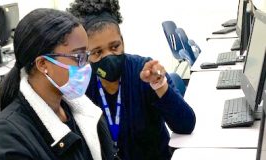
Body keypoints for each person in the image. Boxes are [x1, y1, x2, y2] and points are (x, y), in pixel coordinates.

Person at [68, 1, 196, 160]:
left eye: (115, 47)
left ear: (123, 41)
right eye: (97, 52)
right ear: (86, 55)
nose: (108, 57)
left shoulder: (144, 71)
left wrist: (160, 86)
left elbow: (186, 125)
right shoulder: (82, 86)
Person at [0, 8, 116, 160]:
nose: (86, 65)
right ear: (43, 64)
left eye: (86, 55)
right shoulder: (8, 133)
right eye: (78, 57)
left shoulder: (83, 110)